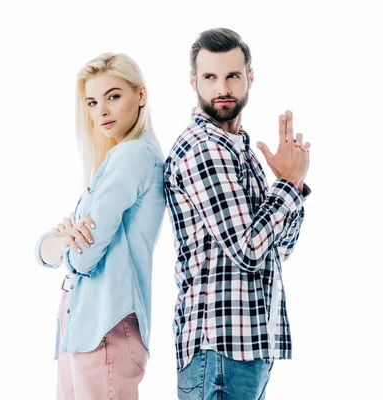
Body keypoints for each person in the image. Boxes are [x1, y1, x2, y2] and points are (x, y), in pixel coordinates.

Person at [164, 28, 312, 400]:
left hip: (251, 348)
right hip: (219, 351)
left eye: (232, 75)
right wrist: (289, 185)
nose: (222, 88)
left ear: (249, 78)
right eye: (210, 77)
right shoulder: (202, 149)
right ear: (194, 82)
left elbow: (276, 251)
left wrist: (287, 184)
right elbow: (249, 250)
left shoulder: (242, 149)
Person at [34, 52, 165, 400]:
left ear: (141, 95)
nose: (101, 111)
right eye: (92, 102)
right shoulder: (113, 160)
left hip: (105, 328)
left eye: (114, 96)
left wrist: (65, 246)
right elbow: (44, 251)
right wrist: (62, 243)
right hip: (83, 329)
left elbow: (83, 258)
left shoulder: (132, 155)